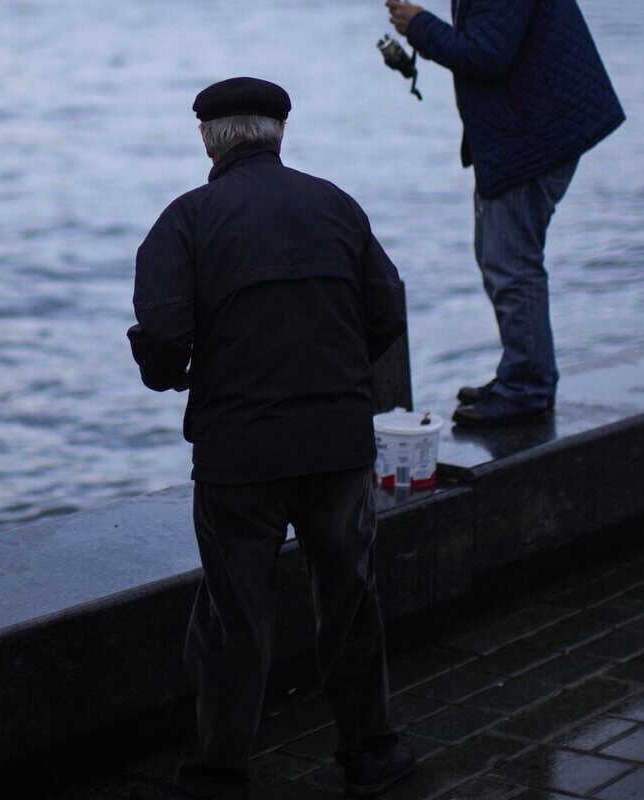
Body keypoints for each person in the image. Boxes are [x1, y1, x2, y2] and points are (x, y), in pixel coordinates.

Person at [128, 78, 412, 799]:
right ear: (279, 132)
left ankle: (218, 775)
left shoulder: (185, 220)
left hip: (239, 451)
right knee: (348, 597)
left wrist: (168, 373)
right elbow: (387, 307)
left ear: (205, 138)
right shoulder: (335, 205)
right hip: (337, 441)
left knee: (234, 615)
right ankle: (370, 756)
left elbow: (163, 335)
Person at [385, 0, 623, 426]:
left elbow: (487, 55)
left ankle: (528, 387)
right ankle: (520, 373)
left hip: (534, 137)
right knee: (503, 260)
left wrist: (420, 28)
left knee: (511, 264)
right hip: (526, 131)